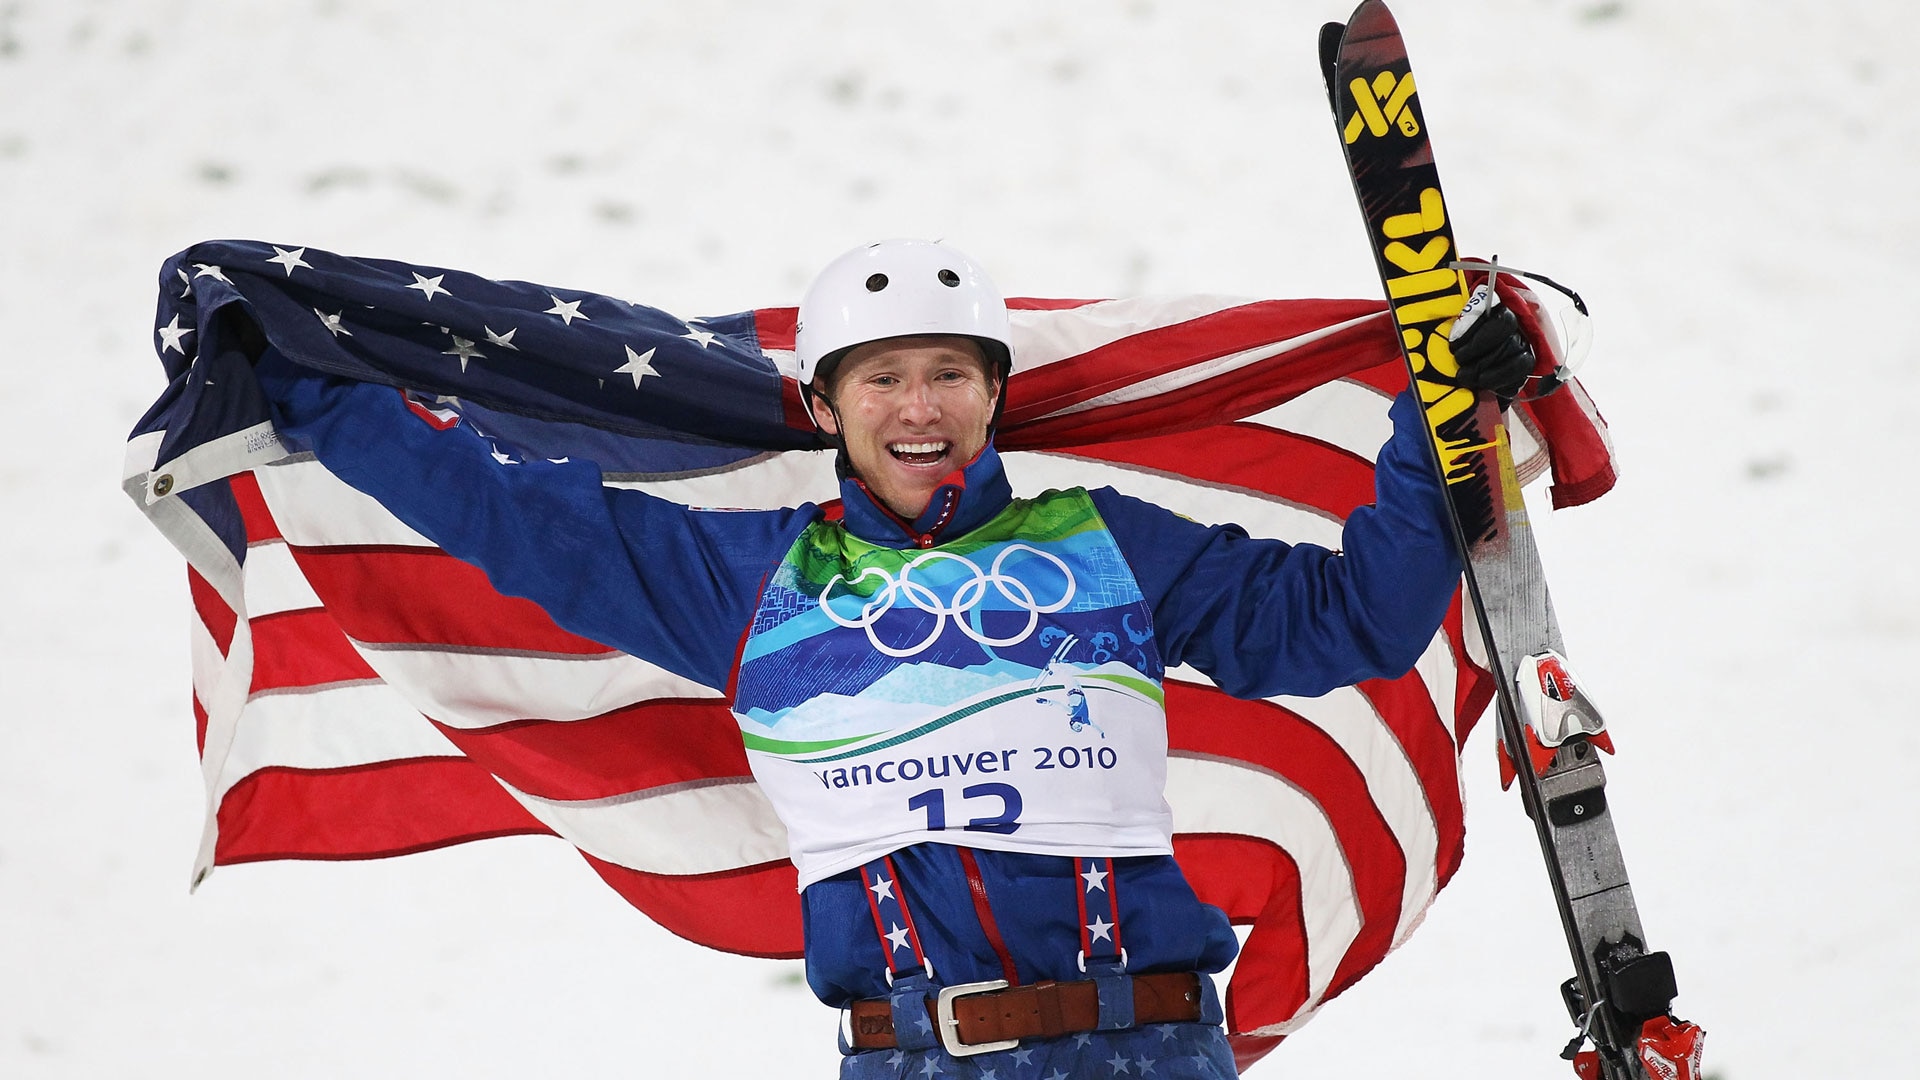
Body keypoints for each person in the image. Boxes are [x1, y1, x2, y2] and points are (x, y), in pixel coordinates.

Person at [252, 239, 1536, 1079]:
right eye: (880, 382)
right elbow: (513, 514)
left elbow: (1356, 620)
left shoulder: (1106, 547)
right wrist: (298, 380)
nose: (916, 409)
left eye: (946, 376)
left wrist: (1435, 422)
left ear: (992, 395)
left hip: (1142, 1050)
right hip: (910, 1056)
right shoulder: (755, 581)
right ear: (823, 406)